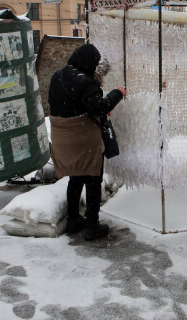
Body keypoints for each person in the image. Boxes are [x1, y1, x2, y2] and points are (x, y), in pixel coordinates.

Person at [48, 43, 126, 241]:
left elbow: (64, 103)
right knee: (93, 178)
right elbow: (100, 108)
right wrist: (118, 93)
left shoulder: (58, 76)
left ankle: (73, 219)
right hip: (83, 138)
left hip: (62, 139)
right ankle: (92, 224)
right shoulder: (86, 83)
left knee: (75, 177)